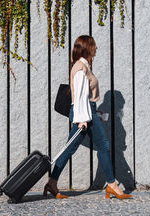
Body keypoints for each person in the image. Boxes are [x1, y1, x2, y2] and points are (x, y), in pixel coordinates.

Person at [43, 35, 132, 200]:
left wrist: (95, 113)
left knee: (77, 148)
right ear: (87, 48)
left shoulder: (84, 66)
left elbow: (86, 97)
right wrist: (83, 119)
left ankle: (52, 182)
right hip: (83, 114)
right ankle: (111, 185)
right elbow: (79, 98)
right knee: (102, 146)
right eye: (94, 46)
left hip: (88, 112)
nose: (96, 48)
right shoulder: (80, 68)